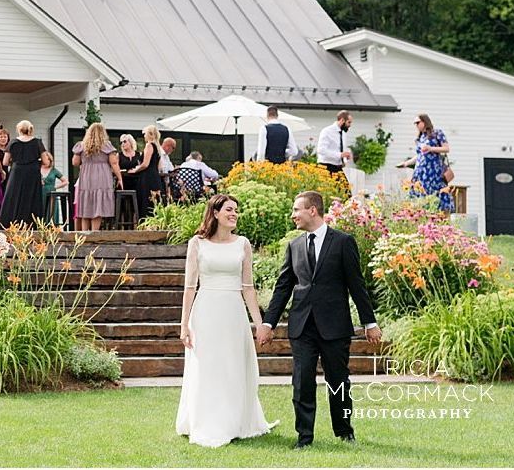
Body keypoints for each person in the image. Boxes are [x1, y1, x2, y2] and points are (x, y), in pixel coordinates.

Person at [258, 190, 381, 449]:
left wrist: (370, 322)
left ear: (312, 210)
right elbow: (283, 287)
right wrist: (268, 323)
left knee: (338, 381)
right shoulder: (294, 246)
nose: (293, 215)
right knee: (301, 383)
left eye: (296, 210)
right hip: (302, 327)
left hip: (334, 326)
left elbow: (356, 285)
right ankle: (304, 438)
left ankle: (344, 431)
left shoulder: (343, 242)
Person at [176, 194, 277, 447]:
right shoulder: (197, 243)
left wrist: (259, 324)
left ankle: (234, 421)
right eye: (229, 209)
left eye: (236, 210)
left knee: (233, 366)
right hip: (206, 310)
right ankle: (206, 421)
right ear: (216, 213)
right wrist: (184, 325)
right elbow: (190, 287)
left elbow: (248, 288)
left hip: (233, 312)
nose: (234, 213)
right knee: (208, 367)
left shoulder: (242, 243)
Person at [71, 122, 123, 232]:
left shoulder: (81, 145)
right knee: (98, 203)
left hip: (86, 176)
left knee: (86, 203)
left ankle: (84, 233)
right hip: (102, 176)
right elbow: (114, 163)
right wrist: (119, 178)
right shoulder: (106, 145)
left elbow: (75, 162)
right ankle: (94, 232)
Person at [0, 121, 48, 227]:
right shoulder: (37, 142)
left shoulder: (13, 142)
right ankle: (32, 225)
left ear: (19, 129)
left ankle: (10, 225)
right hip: (33, 173)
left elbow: (5, 162)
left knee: (13, 197)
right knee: (32, 198)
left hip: (17, 172)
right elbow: (46, 162)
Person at [399, 114, 453, 211]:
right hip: (420, 172)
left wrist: (430, 148)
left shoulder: (437, 133)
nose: (416, 125)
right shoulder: (421, 137)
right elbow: (420, 155)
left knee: (434, 192)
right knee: (418, 192)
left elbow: (446, 148)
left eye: (418, 122)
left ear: (425, 121)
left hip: (433, 171)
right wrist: (406, 163)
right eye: (415, 123)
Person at [127, 125, 165, 220]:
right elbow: (159, 166)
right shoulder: (158, 147)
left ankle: (144, 224)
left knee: (145, 202)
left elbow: (145, 164)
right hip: (155, 177)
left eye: (145, 134)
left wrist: (135, 170)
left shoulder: (149, 145)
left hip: (147, 177)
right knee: (154, 203)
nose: (144, 136)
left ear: (150, 134)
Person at [316, 110, 352, 175]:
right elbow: (321, 150)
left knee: (345, 185)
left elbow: (340, 151)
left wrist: (345, 157)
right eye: (349, 122)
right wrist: (340, 155)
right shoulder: (327, 131)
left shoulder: (343, 133)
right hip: (325, 167)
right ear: (342, 120)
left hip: (338, 167)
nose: (350, 125)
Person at [40, 152, 68, 220]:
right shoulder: (37, 169)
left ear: (50, 160)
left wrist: (55, 187)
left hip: (51, 193)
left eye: (47, 160)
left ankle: (52, 225)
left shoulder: (54, 171)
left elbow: (65, 181)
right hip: (40, 193)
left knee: (51, 210)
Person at [0, 128, 11, 195]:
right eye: (1, 137)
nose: (3, 139)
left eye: (5, 137)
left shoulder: (10, 150)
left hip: (8, 174)